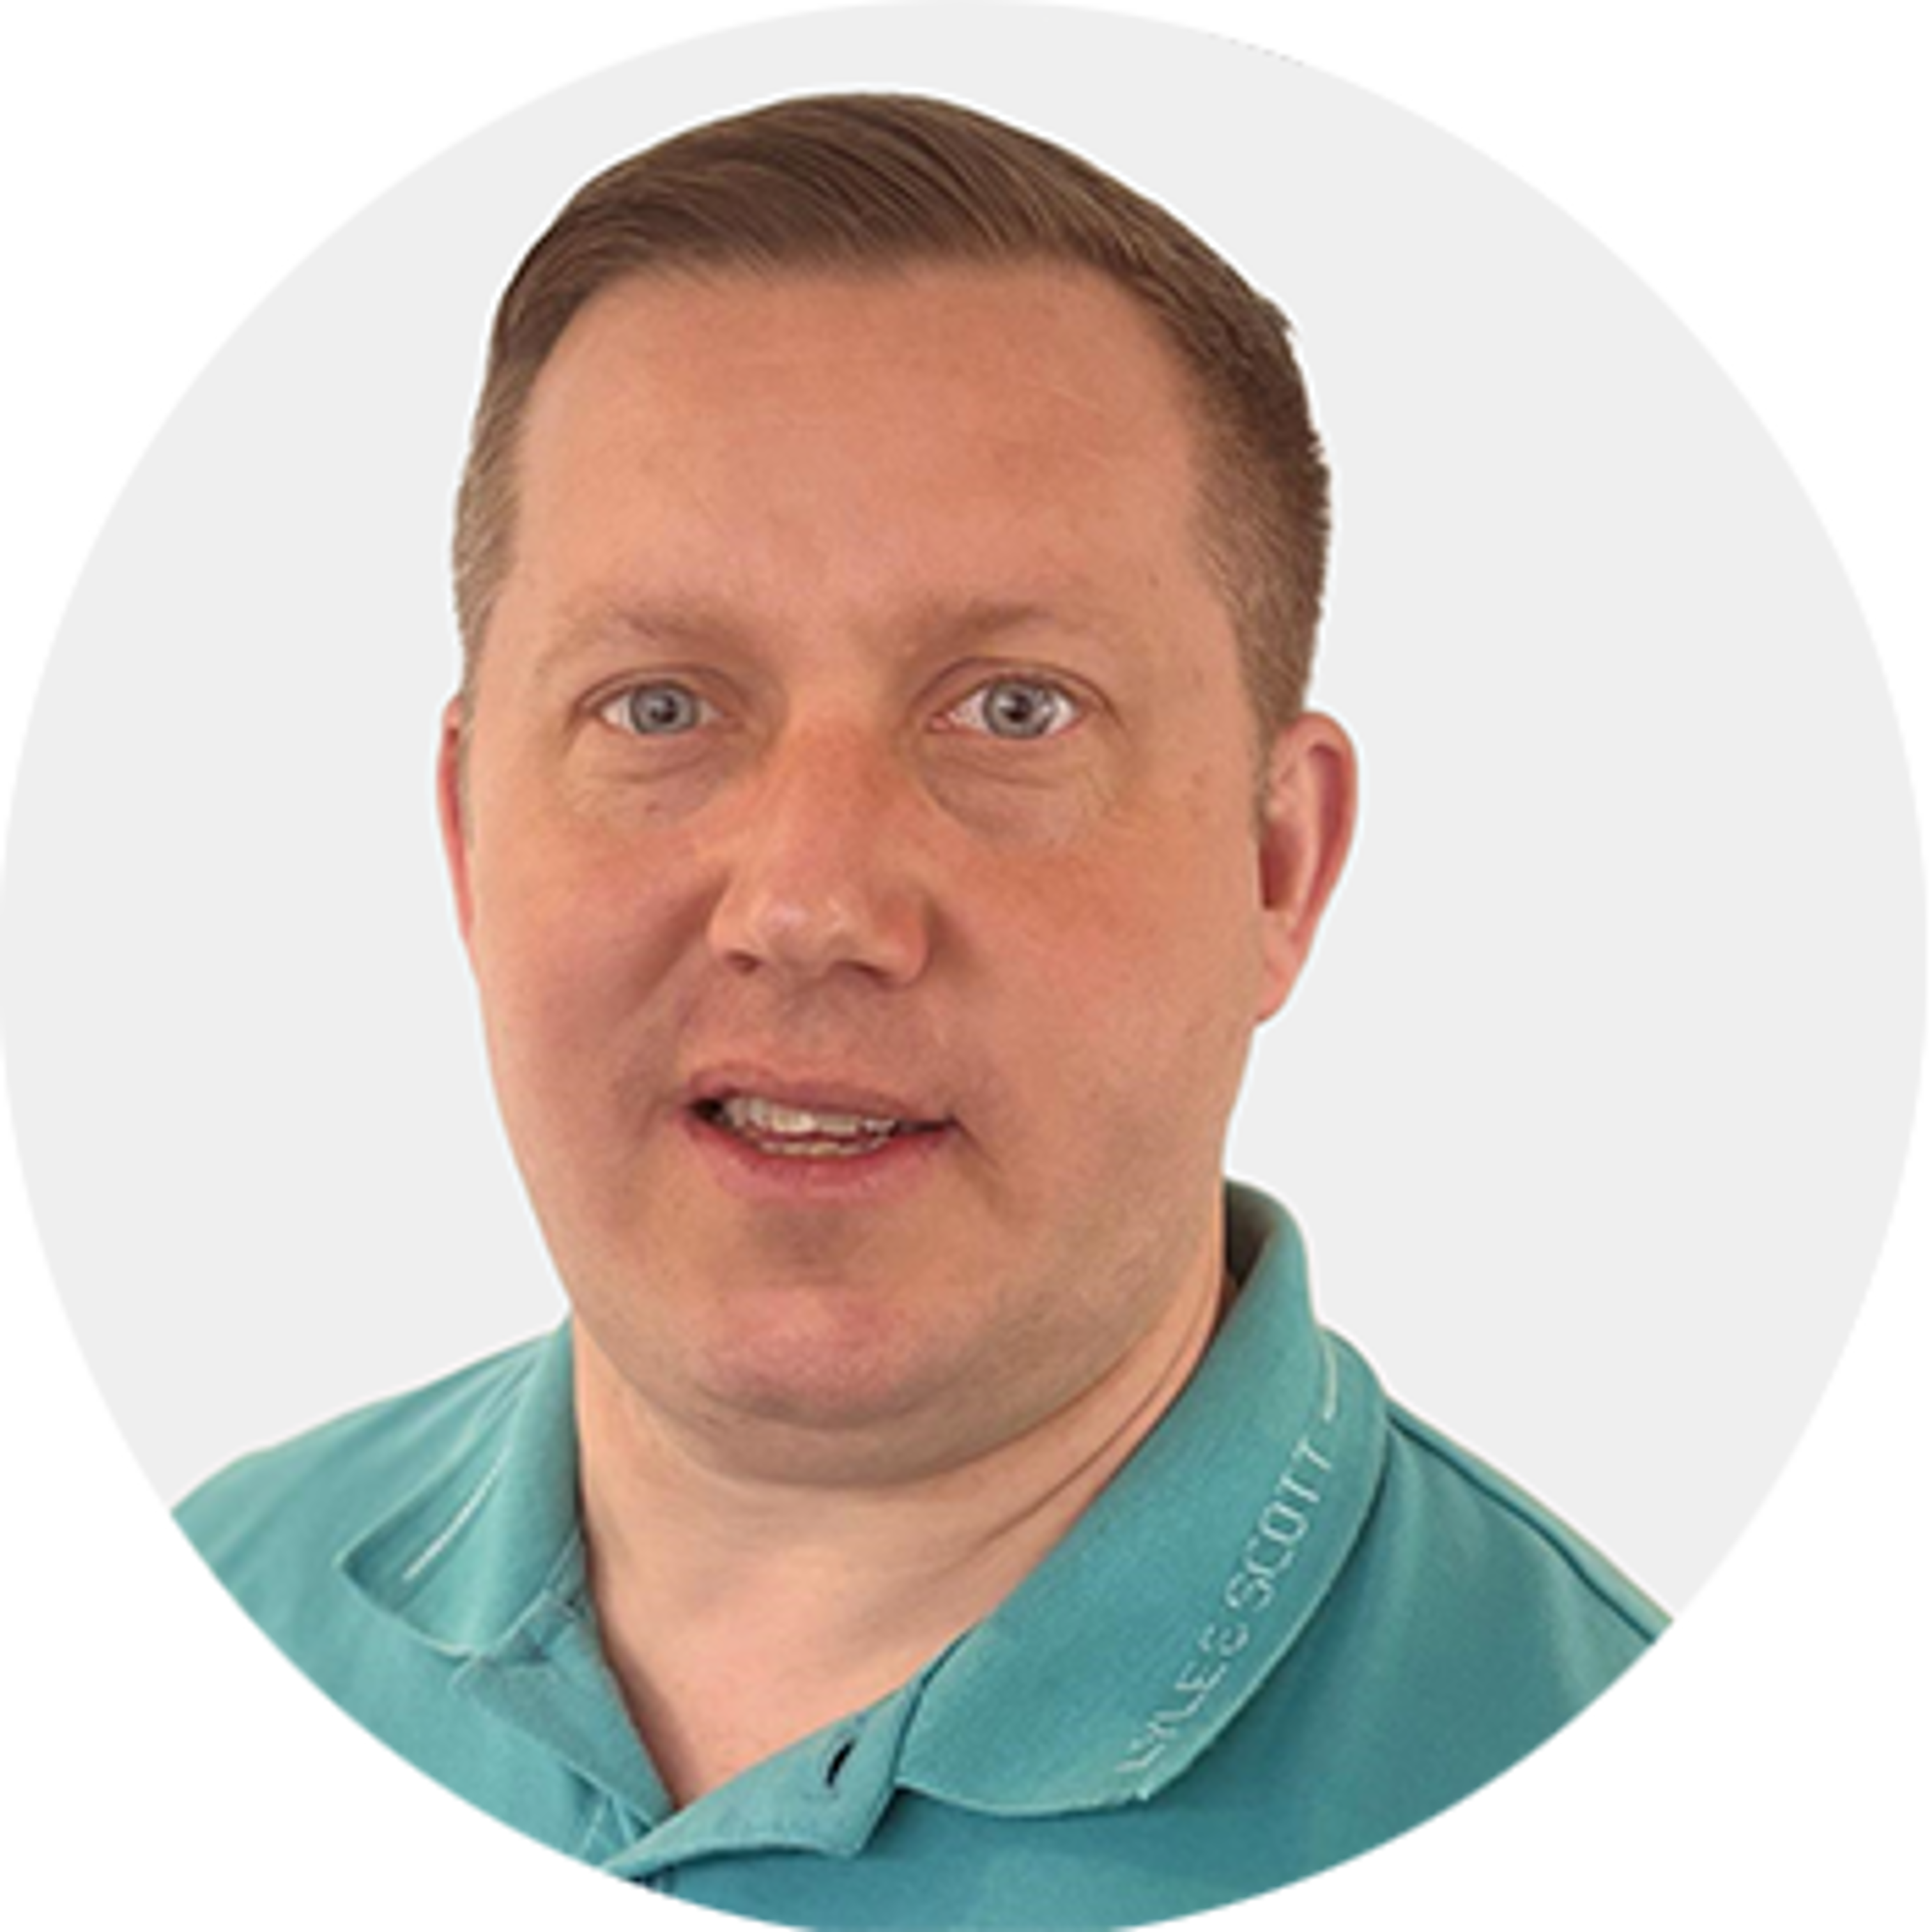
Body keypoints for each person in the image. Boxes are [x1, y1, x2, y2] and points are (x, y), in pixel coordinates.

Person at [164, 91, 1675, 1919]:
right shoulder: (236, 1586)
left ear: (1280, 868)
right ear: (470, 838)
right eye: (659, 708)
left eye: (1012, 709)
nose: (810, 905)